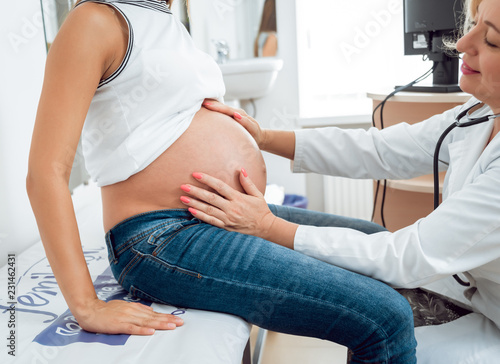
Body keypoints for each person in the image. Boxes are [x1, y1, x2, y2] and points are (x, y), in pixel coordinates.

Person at [26, 0, 417, 362]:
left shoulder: (164, 21)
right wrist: (86, 305)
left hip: (228, 215)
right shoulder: (95, 20)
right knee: (386, 319)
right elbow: (46, 172)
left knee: (375, 241)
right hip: (164, 236)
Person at [180, 0, 500, 362]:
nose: (461, 44)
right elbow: (377, 150)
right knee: (367, 248)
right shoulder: (478, 115)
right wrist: (262, 136)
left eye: (490, 41)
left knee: (389, 329)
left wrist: (267, 225)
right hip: (472, 290)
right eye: (472, 24)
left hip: (492, 317)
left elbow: (407, 256)